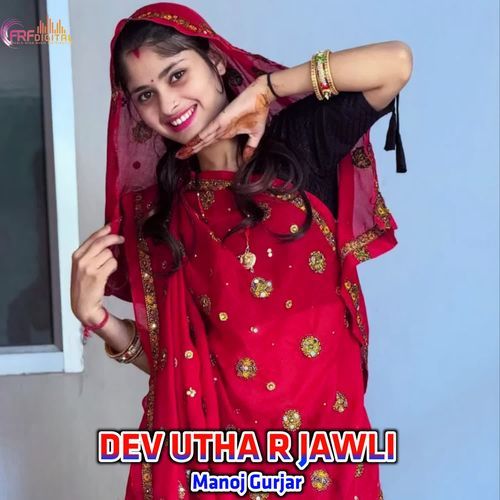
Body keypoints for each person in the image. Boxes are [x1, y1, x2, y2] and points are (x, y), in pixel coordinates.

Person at [70, 2, 412, 498]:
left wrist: (267, 88)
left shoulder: (298, 145)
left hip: (325, 449)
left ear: (216, 61)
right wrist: (96, 317)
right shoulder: (160, 214)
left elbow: (395, 63)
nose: (168, 104)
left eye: (177, 74)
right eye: (146, 94)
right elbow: (177, 365)